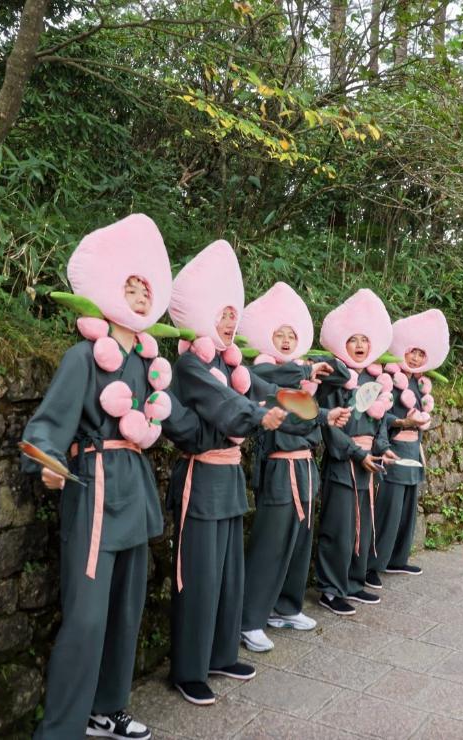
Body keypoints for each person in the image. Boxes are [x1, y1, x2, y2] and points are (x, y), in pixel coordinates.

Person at [24, 214, 182, 740]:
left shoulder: (148, 361)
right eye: (129, 286)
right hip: (93, 489)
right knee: (87, 618)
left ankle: (106, 708)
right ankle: (61, 727)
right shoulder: (82, 357)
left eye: (146, 288)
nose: (140, 295)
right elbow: (47, 425)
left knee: (126, 610)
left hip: (134, 489)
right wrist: (47, 463)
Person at [163, 242, 334, 706]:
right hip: (200, 479)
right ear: (200, 315)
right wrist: (257, 417)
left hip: (230, 479)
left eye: (232, 314)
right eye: (220, 314)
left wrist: (316, 415)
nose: (228, 322)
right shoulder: (192, 364)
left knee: (227, 573)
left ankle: (219, 654)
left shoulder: (230, 363)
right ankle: (188, 669)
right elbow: (229, 407)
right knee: (197, 576)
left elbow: (269, 394)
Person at [236, 282, 350, 653]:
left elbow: (343, 376)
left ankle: (285, 607)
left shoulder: (301, 375)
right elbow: (281, 404)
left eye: (292, 335)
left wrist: (316, 381)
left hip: (304, 469)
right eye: (278, 334)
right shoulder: (260, 371)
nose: (286, 340)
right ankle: (249, 619)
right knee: (270, 543)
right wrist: (304, 370)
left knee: (300, 541)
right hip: (279, 469)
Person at [314, 289, 397, 616]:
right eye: (353, 339)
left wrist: (383, 449)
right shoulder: (334, 379)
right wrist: (353, 452)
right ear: (342, 343)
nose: (360, 345)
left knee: (363, 523)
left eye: (365, 339)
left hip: (368, 461)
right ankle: (329, 588)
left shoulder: (373, 378)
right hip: (343, 461)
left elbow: (377, 423)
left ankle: (352, 580)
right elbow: (329, 426)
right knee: (339, 526)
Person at [367, 309, 448, 589]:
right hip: (394, 447)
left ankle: (397, 558)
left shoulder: (421, 382)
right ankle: (373, 565)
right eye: (412, 352)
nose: (414, 359)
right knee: (388, 510)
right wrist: (402, 421)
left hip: (414, 449)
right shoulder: (389, 378)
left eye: (421, 355)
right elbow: (379, 416)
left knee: (407, 509)